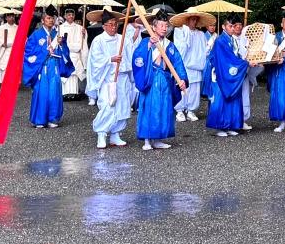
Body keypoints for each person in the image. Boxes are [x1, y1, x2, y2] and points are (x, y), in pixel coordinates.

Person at [132, 12, 187, 150]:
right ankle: (146, 140)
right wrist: (150, 44)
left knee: (164, 108)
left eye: (166, 25)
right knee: (150, 108)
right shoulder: (146, 42)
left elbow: (178, 63)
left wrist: (182, 78)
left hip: (165, 80)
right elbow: (138, 58)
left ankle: (158, 139)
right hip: (151, 78)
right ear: (154, 27)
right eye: (161, 25)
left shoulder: (169, 45)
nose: (164, 28)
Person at [88, 15, 137, 149]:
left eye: (115, 24)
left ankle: (115, 134)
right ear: (103, 26)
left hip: (122, 78)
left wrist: (124, 64)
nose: (113, 27)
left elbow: (130, 56)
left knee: (122, 106)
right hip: (107, 79)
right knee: (108, 105)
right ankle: (102, 134)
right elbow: (95, 60)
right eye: (110, 24)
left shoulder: (123, 39)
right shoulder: (98, 40)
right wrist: (110, 59)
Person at [22, 7, 73, 128]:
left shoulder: (57, 34)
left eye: (52, 18)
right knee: (42, 92)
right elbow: (29, 52)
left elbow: (64, 52)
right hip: (42, 67)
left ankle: (53, 118)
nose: (51, 20)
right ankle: (40, 119)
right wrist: (44, 52)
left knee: (54, 92)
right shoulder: (36, 35)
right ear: (43, 20)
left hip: (54, 66)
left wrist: (61, 44)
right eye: (48, 18)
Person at [206, 14, 247, 137]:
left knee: (232, 99)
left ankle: (230, 125)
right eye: (230, 26)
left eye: (233, 26)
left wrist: (243, 61)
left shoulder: (231, 39)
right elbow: (227, 59)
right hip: (221, 74)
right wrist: (245, 63)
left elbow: (235, 57)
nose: (233, 28)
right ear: (224, 26)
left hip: (228, 72)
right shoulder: (220, 41)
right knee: (221, 100)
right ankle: (220, 128)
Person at [173, 15, 207, 122]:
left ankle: (191, 110)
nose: (195, 21)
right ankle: (179, 111)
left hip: (196, 65)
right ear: (187, 20)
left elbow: (204, 49)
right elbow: (179, 48)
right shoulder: (179, 31)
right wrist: (186, 40)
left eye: (196, 19)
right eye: (193, 19)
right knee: (183, 88)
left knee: (195, 89)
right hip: (184, 64)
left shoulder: (201, 34)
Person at [58, 8, 88, 101]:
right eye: (68, 15)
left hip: (76, 54)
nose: (71, 16)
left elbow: (83, 43)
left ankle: (75, 93)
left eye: (72, 15)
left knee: (75, 74)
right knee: (66, 73)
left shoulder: (79, 28)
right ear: (65, 16)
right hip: (65, 54)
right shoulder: (61, 27)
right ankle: (65, 93)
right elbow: (58, 41)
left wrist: (84, 34)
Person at [0, 12, 18, 84]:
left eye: (12, 16)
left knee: (14, 67)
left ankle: (14, 82)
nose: (11, 18)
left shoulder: (18, 28)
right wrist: (3, 43)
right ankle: (4, 82)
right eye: (9, 16)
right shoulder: (1, 28)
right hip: (5, 50)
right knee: (5, 66)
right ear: (6, 18)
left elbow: (23, 38)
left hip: (15, 50)